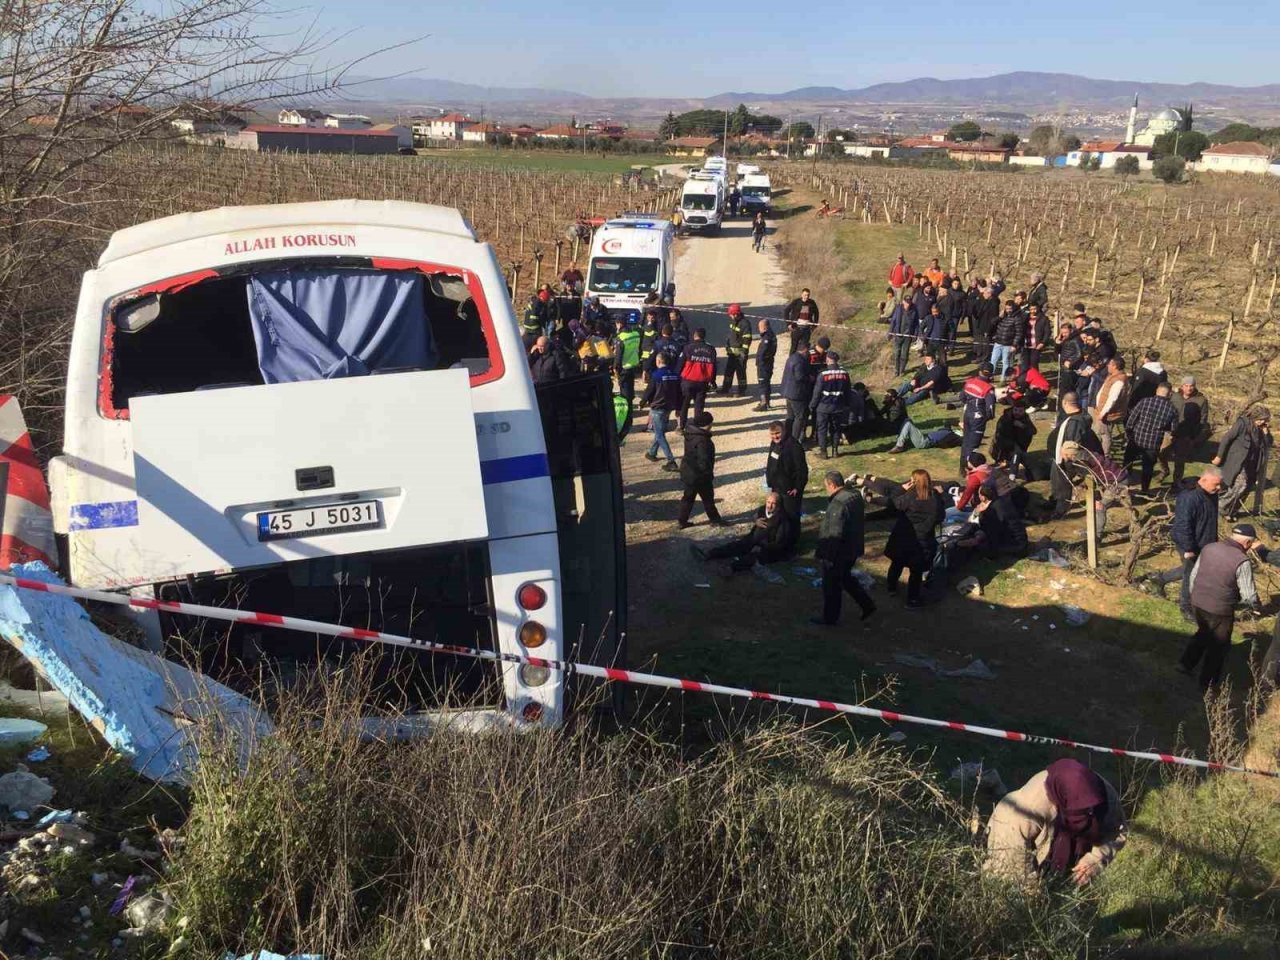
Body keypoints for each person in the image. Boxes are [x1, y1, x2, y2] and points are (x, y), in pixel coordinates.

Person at [984, 758, 1127, 888]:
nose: (1088, 814)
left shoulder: (1102, 796)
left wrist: (1095, 860)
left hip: (1068, 862)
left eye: (1090, 811)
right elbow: (1012, 866)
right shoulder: (1025, 810)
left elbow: (1117, 831)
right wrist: (1035, 897)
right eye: (1081, 811)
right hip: (1016, 862)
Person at [1180, 524, 1261, 689]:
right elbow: (1249, 595)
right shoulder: (1242, 560)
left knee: (1203, 633)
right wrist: (1255, 606)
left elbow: (1194, 574)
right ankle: (1208, 684)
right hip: (1220, 609)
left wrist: (1194, 596)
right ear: (1247, 543)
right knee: (1219, 646)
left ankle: (1185, 664)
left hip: (1197, 601)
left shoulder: (1209, 547)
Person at [1144, 467, 1222, 621]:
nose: (1219, 488)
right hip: (1189, 542)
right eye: (1216, 485)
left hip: (1204, 541)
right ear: (1204, 480)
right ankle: (1186, 608)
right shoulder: (1189, 498)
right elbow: (1182, 525)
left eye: (1220, 485)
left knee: (1193, 569)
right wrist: (1188, 548)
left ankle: (1161, 579)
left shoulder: (1211, 494)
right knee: (1191, 574)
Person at [811, 471, 875, 625]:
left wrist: (829, 558)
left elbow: (835, 534)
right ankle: (867, 605)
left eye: (826, 486)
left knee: (831, 586)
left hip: (839, 553)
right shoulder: (854, 495)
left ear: (832, 485)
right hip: (853, 548)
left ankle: (830, 618)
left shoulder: (837, 504)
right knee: (845, 578)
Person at [884, 470, 946, 607]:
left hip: (903, 537)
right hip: (923, 539)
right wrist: (942, 496)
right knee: (916, 571)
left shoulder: (910, 497)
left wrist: (900, 489)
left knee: (897, 563)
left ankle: (891, 588)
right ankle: (912, 599)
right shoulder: (934, 498)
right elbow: (941, 517)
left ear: (914, 481)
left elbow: (892, 504)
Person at [693, 491, 796, 571]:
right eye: (768, 502)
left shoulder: (783, 519)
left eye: (773, 503)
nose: (769, 505)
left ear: (778, 505)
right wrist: (755, 521)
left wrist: (764, 546)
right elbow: (756, 522)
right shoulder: (762, 510)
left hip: (768, 548)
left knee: (752, 558)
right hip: (753, 539)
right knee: (736, 546)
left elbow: (779, 542)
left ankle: (731, 568)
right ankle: (709, 554)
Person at [1213, 405, 1272, 521]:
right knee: (1240, 485)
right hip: (1238, 461)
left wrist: (1266, 433)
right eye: (1261, 419)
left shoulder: (1262, 429)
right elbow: (1227, 438)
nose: (1263, 422)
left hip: (1253, 463)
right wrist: (1219, 456)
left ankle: (1232, 511)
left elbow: (1268, 444)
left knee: (1247, 488)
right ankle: (1221, 507)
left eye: (1265, 419)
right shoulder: (1242, 423)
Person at [1049, 392, 1101, 518]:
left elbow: (1072, 445)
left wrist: (1067, 462)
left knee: (1061, 483)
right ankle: (1056, 501)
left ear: (1065, 403)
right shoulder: (1081, 416)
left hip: (1069, 459)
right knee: (1057, 479)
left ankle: (1061, 509)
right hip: (1068, 457)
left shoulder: (1074, 422)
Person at [1125, 382, 1178, 493]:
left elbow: (1131, 419)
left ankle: (1124, 484)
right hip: (1153, 443)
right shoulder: (1172, 409)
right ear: (1169, 394)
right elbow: (1173, 429)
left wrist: (1129, 433)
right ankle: (1144, 489)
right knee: (1148, 468)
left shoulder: (1145, 402)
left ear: (1157, 390)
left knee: (1128, 462)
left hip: (1136, 438)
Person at [1159, 375, 1211, 485]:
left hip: (1186, 434)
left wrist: (1196, 436)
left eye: (1191, 386)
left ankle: (1176, 483)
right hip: (1170, 431)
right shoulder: (1174, 396)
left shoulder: (1201, 400)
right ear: (1182, 386)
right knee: (1161, 453)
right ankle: (1165, 470)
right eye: (1186, 386)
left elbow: (1203, 419)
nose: (1189, 388)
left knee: (1180, 460)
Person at [677, 412, 725, 529]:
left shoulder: (690, 433)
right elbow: (704, 460)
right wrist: (708, 474)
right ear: (708, 424)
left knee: (688, 498)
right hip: (700, 475)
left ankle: (682, 521)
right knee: (708, 498)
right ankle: (715, 520)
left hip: (688, 472)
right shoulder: (703, 440)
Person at [640, 352, 682, 471]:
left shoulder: (656, 375)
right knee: (660, 430)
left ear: (658, 361)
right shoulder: (675, 375)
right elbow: (679, 393)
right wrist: (679, 407)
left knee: (659, 434)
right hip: (669, 407)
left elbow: (649, 390)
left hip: (658, 408)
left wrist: (642, 402)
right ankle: (652, 453)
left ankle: (671, 461)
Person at [809, 350, 851, 459]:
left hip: (823, 407)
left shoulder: (823, 374)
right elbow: (848, 391)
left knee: (822, 429)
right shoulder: (845, 374)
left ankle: (823, 452)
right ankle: (835, 451)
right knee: (836, 429)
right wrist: (846, 404)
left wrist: (812, 405)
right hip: (838, 406)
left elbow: (817, 393)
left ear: (828, 360)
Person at [959, 363, 997, 475]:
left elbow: (962, 397)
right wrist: (986, 418)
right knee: (973, 445)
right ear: (990, 374)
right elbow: (990, 409)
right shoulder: (989, 388)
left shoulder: (969, 381)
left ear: (979, 371)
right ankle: (969, 469)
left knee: (965, 442)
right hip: (978, 419)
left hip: (967, 415)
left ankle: (962, 468)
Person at [766, 420, 809, 520]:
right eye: (772, 434)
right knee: (778, 515)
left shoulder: (794, 446)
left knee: (791, 516)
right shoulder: (774, 444)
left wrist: (797, 487)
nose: (775, 436)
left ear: (784, 431)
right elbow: (770, 463)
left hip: (790, 490)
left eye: (777, 433)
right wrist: (769, 482)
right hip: (776, 488)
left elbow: (802, 470)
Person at [1090, 356, 1130, 459]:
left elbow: (1112, 399)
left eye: (1110, 364)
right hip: (1101, 410)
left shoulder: (1119, 380)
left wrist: (1103, 413)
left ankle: (1105, 456)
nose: (1107, 365)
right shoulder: (1113, 376)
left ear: (1115, 366)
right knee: (1102, 433)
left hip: (1108, 414)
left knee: (1105, 434)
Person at [677, 328, 717, 428]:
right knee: (699, 406)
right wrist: (712, 381)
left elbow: (680, 365)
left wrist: (677, 377)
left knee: (684, 405)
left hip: (688, 381)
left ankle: (681, 426)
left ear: (695, 336)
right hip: (702, 382)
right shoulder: (711, 349)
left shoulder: (688, 348)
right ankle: (697, 426)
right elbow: (714, 367)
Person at [990, 404, 1037, 476]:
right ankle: (1012, 474)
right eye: (1015, 410)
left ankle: (1014, 464)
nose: (1017, 413)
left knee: (1018, 452)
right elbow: (1000, 433)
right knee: (1017, 452)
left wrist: (1022, 426)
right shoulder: (1005, 418)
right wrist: (1011, 424)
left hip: (1020, 444)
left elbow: (1033, 431)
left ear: (1024, 411)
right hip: (1005, 442)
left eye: (1020, 411)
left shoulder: (1025, 418)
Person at [780, 343, 811, 444]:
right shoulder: (800, 361)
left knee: (790, 417)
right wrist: (810, 378)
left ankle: (786, 437)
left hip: (788, 392)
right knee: (800, 417)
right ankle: (794, 440)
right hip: (796, 394)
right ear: (805, 350)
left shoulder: (792, 357)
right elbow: (799, 377)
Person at [721, 304, 752, 396]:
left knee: (741, 373)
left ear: (735, 314)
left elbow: (747, 339)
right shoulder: (734, 322)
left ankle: (742, 391)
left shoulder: (745, 323)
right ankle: (725, 388)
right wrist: (728, 345)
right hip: (732, 353)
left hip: (740, 354)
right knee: (728, 371)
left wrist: (744, 352)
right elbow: (732, 335)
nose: (730, 316)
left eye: (731, 314)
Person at [613, 314, 642, 407]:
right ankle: (630, 414)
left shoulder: (621, 337)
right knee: (630, 392)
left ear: (620, 324)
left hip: (624, 369)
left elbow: (618, 356)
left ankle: (626, 417)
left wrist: (615, 369)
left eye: (616, 324)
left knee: (625, 395)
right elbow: (639, 349)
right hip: (633, 367)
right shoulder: (636, 334)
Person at [888, 418, 962, 454]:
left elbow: (967, 440)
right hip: (925, 436)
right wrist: (958, 423)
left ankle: (899, 446)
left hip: (924, 442)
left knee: (908, 424)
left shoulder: (956, 438)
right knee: (907, 420)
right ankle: (900, 439)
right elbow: (947, 422)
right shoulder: (950, 431)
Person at [888, 296, 919, 377]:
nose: (908, 304)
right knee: (897, 353)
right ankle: (896, 370)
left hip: (908, 336)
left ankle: (902, 370)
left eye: (909, 302)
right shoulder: (898, 309)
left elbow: (916, 324)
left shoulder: (914, 310)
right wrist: (890, 333)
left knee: (904, 354)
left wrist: (915, 335)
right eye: (906, 302)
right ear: (903, 302)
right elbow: (893, 321)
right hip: (898, 335)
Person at [785, 288, 819, 353]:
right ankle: (791, 362)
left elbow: (816, 313)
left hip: (806, 329)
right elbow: (786, 310)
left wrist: (815, 324)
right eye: (805, 295)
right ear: (802, 295)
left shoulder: (812, 303)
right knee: (794, 347)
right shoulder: (796, 302)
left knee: (804, 349)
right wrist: (788, 323)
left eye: (808, 295)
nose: (806, 297)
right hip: (796, 328)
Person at [1056, 321, 1083, 400]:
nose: (1064, 334)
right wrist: (1058, 343)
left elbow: (1080, 353)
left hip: (1070, 369)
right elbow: (1057, 352)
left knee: (1067, 391)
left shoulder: (1075, 339)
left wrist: (1071, 362)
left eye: (1066, 332)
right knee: (1063, 389)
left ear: (1071, 331)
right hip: (1063, 368)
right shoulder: (1065, 339)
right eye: (1062, 333)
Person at [753, 319, 777, 411]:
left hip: (764, 365)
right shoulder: (771, 335)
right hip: (768, 363)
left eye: (760, 327)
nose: (759, 329)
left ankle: (764, 403)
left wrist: (759, 362)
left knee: (763, 383)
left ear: (764, 327)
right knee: (766, 383)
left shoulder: (767, 338)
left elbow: (763, 352)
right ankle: (767, 402)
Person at [1021, 303, 1049, 371]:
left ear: (1038, 309)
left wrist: (1043, 342)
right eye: (1031, 309)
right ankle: (1026, 379)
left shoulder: (1043, 318)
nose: (1033, 311)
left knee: (1034, 364)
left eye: (1034, 309)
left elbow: (1047, 332)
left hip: (1036, 345)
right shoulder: (1025, 317)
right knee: (1025, 364)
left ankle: (1035, 379)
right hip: (1026, 344)